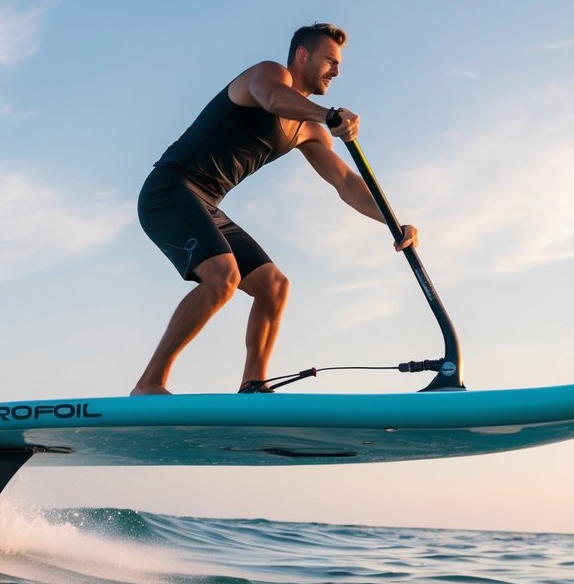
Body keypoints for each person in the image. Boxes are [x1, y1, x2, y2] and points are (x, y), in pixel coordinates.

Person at [132, 22, 419, 396]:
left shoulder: (307, 129)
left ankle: (254, 385)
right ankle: (149, 384)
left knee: (274, 286)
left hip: (207, 203)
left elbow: (346, 183)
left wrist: (394, 223)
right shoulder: (269, 74)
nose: (336, 71)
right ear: (303, 56)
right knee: (223, 276)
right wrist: (329, 115)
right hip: (169, 190)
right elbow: (272, 99)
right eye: (330, 60)